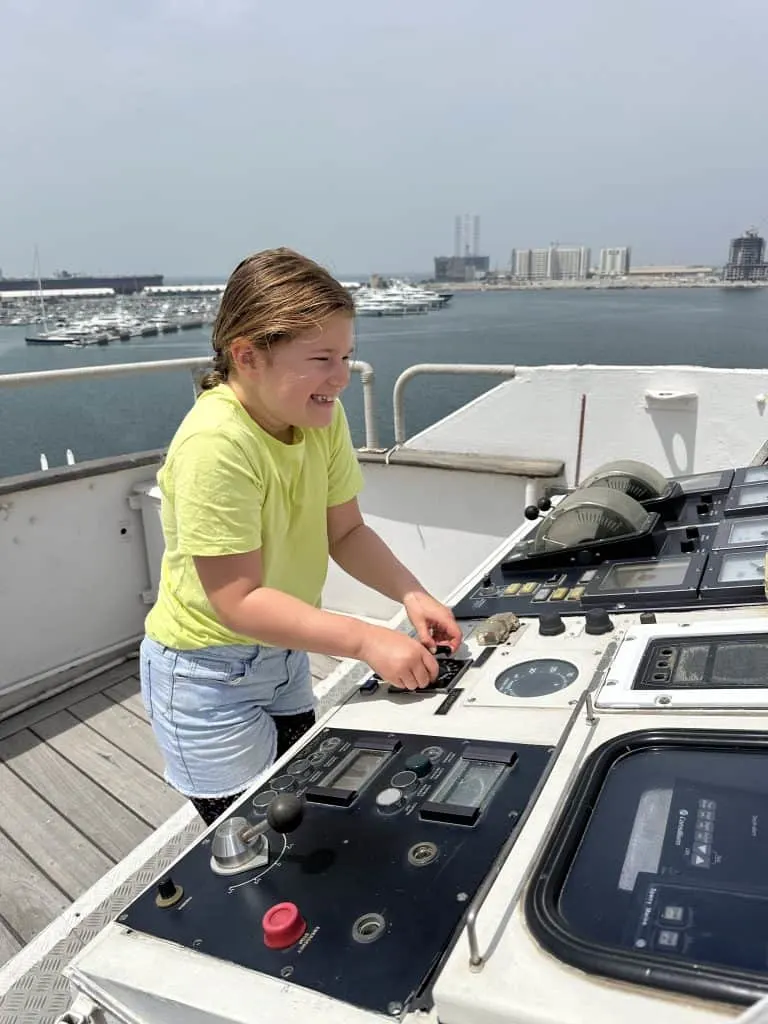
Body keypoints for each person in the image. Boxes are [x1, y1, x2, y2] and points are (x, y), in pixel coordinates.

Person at [140, 248, 462, 826]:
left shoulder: (322, 415)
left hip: (284, 653)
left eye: (346, 356)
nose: (340, 377)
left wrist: (412, 595)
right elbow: (236, 600)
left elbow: (346, 530)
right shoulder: (216, 444)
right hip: (208, 676)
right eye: (320, 359)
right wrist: (367, 642)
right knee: (254, 834)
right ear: (247, 356)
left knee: (301, 798)